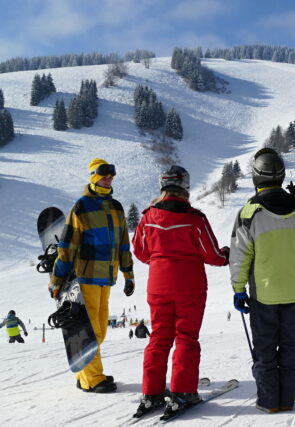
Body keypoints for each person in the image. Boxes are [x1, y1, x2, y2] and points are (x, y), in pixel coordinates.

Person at [230, 148, 295, 414]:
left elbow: (239, 256)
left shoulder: (250, 212)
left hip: (264, 294)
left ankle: (268, 402)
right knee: (290, 346)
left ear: (256, 177)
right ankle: (287, 400)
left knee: (265, 349)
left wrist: (239, 290)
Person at [132, 165, 229, 416]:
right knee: (186, 336)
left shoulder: (148, 217)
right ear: (185, 186)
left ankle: (152, 392)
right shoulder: (194, 218)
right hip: (189, 285)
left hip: (158, 285)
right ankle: (183, 391)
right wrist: (226, 255)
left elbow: (141, 252)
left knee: (159, 337)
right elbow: (212, 254)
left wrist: (160, 260)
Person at [48, 158, 134, 393]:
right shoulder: (82, 206)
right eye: (104, 176)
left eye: (111, 176)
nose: (108, 179)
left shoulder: (116, 207)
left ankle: (83, 371)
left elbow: (124, 244)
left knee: (101, 331)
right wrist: (56, 280)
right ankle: (92, 379)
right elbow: (67, 246)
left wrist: (129, 274)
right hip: (84, 278)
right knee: (91, 331)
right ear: (94, 177)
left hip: (106, 278)